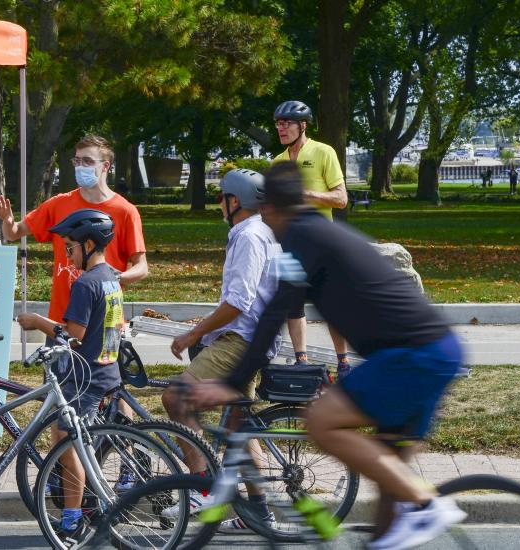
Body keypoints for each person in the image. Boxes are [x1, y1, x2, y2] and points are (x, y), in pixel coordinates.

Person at [188, 161, 467, 550]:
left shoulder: (302, 239)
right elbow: (279, 310)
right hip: (432, 349)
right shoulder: (308, 235)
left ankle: (427, 504)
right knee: (389, 480)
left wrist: (232, 383)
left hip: (410, 355)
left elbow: (273, 314)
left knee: (321, 422)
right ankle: (406, 516)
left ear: (268, 209)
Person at [160, 169, 281, 526]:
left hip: (239, 340)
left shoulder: (248, 236)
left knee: (176, 398)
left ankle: (203, 491)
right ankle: (258, 513)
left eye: (221, 197)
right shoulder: (265, 233)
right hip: (255, 339)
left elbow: (238, 302)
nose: (218, 203)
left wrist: (193, 334)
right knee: (239, 427)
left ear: (235, 201)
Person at [17, 209, 126, 542]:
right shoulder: (111, 278)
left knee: (67, 446)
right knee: (63, 440)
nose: (67, 254)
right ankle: (77, 505)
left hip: (85, 376)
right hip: (106, 370)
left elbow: (74, 335)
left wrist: (38, 322)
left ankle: (72, 520)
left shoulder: (86, 284)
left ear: (89, 244)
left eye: (70, 247)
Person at [0, 134, 148, 325]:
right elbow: (13, 233)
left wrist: (115, 277)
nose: (81, 167)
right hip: (61, 320)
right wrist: (8, 221)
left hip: (105, 321)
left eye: (88, 161)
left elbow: (142, 267)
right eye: (77, 160)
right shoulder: (58, 204)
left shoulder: (125, 211)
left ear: (106, 166)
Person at [272, 100, 351, 373]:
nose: (281, 129)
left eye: (287, 123)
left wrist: (306, 195)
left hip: (321, 243)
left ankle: (343, 362)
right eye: (278, 124)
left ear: (302, 125)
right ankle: (301, 360)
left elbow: (341, 198)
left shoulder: (323, 152)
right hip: (289, 244)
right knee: (292, 304)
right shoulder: (278, 162)